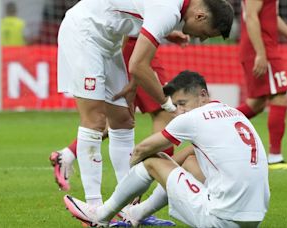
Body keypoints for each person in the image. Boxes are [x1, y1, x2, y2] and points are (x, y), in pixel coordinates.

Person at [56, 0, 233, 219]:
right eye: (206, 33)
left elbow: (133, 19)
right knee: (95, 120)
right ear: (200, 16)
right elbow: (138, 65)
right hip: (84, 33)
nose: (202, 38)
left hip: (109, 41)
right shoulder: (169, 10)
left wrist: (134, 81)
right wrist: (169, 106)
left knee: (123, 120)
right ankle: (94, 208)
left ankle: (125, 205)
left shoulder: (173, 11)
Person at [63, 71, 270, 227]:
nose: (179, 111)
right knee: (189, 161)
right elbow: (188, 154)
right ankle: (136, 214)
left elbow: (141, 150)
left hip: (220, 219)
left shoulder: (192, 118)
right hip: (253, 219)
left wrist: (134, 182)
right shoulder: (233, 112)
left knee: (153, 160)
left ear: (203, 95)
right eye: (176, 105)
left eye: (182, 103)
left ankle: (100, 216)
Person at [50, 37, 176, 226]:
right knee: (162, 115)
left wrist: (168, 31)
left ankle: (68, 155)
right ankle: (110, 207)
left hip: (136, 48)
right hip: (133, 50)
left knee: (121, 120)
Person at [236, 0, 287, 170]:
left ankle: (216, 121)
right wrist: (261, 54)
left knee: (256, 103)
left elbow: (271, 16)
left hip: (261, 47)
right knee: (280, 95)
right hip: (261, 48)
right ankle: (275, 157)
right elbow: (251, 16)